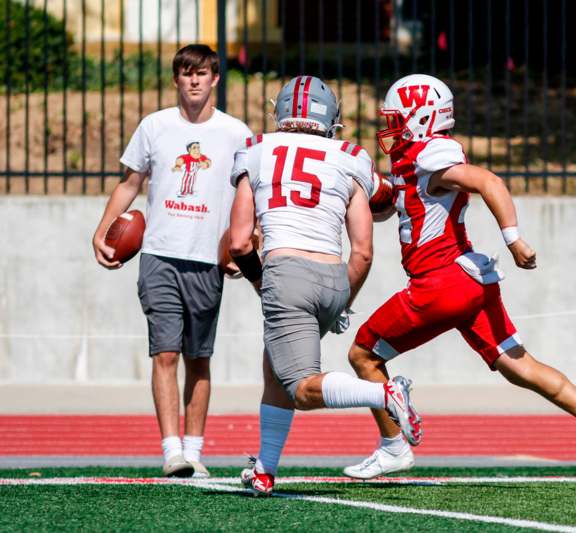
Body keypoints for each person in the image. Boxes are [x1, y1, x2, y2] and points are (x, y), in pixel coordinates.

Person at [344, 74, 576, 486]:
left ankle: (393, 448)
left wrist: (513, 238)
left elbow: (488, 181)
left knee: (364, 355)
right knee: (518, 365)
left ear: (420, 118)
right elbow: (401, 205)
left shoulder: (430, 154)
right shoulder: (416, 159)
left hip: (440, 282)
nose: (390, 127)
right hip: (471, 280)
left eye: (397, 118)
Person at [230, 76, 422, 497]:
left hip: (286, 274)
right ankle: (265, 467)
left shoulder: (257, 150)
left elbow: (240, 241)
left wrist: (264, 284)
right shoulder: (351, 156)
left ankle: (385, 393)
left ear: (280, 110)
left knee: (301, 387)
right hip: (334, 277)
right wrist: (343, 300)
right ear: (331, 117)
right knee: (275, 368)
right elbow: (363, 250)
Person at [91, 44, 252, 478]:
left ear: (215, 79)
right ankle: (171, 452)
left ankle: (195, 452)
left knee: (198, 358)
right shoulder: (154, 126)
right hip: (159, 254)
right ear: (176, 79)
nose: (194, 80)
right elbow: (130, 184)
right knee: (164, 353)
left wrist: (245, 242)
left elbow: (251, 195)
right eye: (186, 73)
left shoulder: (236, 133)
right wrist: (101, 228)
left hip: (206, 258)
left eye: (201, 73)